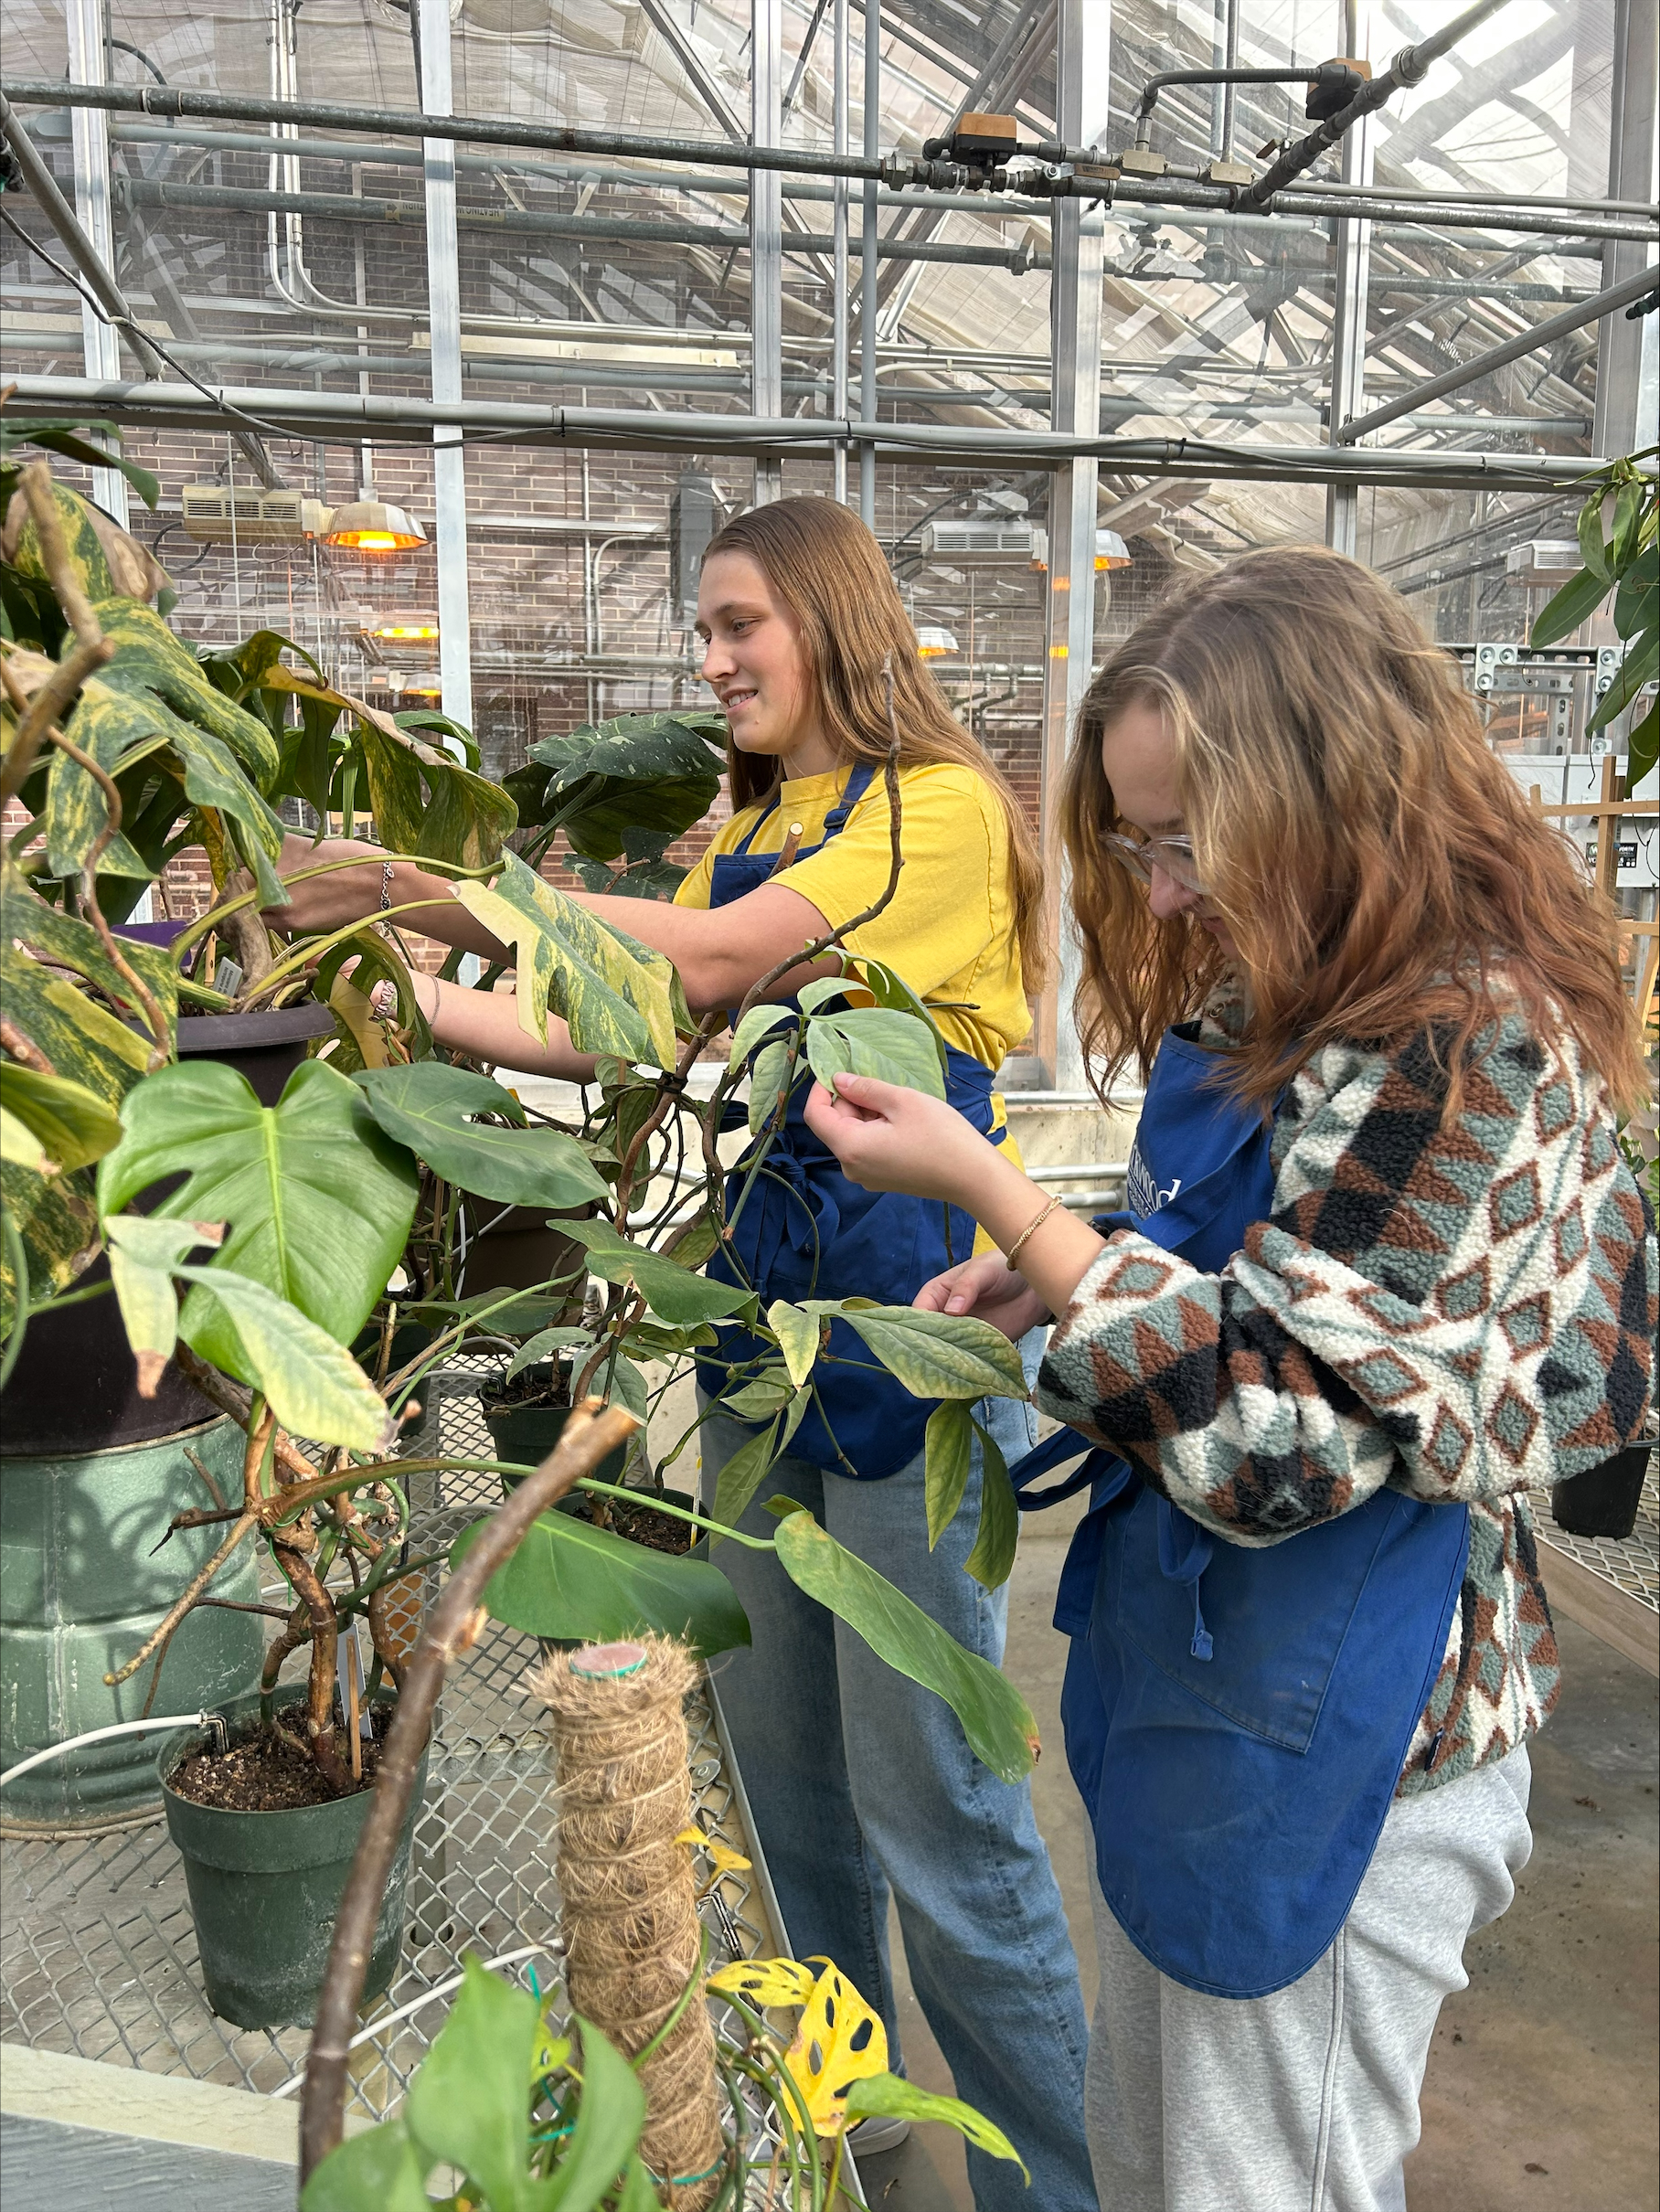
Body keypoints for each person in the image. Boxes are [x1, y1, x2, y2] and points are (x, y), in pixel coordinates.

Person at [802, 545, 1657, 2212]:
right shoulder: (1301, 1001)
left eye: (1188, 844)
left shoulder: (1470, 1044)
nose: (1165, 892)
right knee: (1163, 2166)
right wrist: (1058, 1281)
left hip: (1361, 1746)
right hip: (1219, 1690)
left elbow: (1283, 1441)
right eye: (1139, 846)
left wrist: (1010, 1203)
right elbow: (1288, 1266)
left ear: (1337, 799)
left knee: (1259, 2184)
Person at [269, 495, 1099, 2212]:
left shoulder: (933, 812)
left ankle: (1055, 2186)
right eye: (703, 632)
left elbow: (717, 962)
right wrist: (382, 986)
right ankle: (841, 2138)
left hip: (905, 1337)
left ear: (835, 623)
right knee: (790, 1801)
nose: (712, 660)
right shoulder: (765, 820)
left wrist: (441, 885)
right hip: (751, 1340)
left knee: (938, 1815)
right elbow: (621, 1018)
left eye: (741, 626)